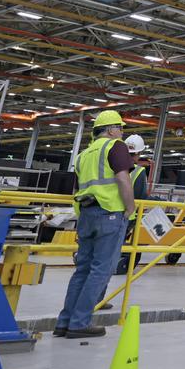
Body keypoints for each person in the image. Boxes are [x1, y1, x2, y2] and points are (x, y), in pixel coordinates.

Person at [54, 110, 136, 339]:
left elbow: (77, 188)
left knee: (82, 270)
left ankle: (64, 322)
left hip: (86, 214)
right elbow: (123, 179)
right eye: (120, 128)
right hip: (109, 212)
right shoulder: (115, 146)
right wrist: (130, 209)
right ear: (111, 130)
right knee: (101, 270)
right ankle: (80, 323)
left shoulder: (83, 154)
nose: (121, 132)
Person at [112, 134, 150, 276]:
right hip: (129, 215)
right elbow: (141, 196)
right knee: (121, 241)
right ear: (139, 153)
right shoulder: (139, 171)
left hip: (111, 210)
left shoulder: (114, 165)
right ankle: (115, 262)